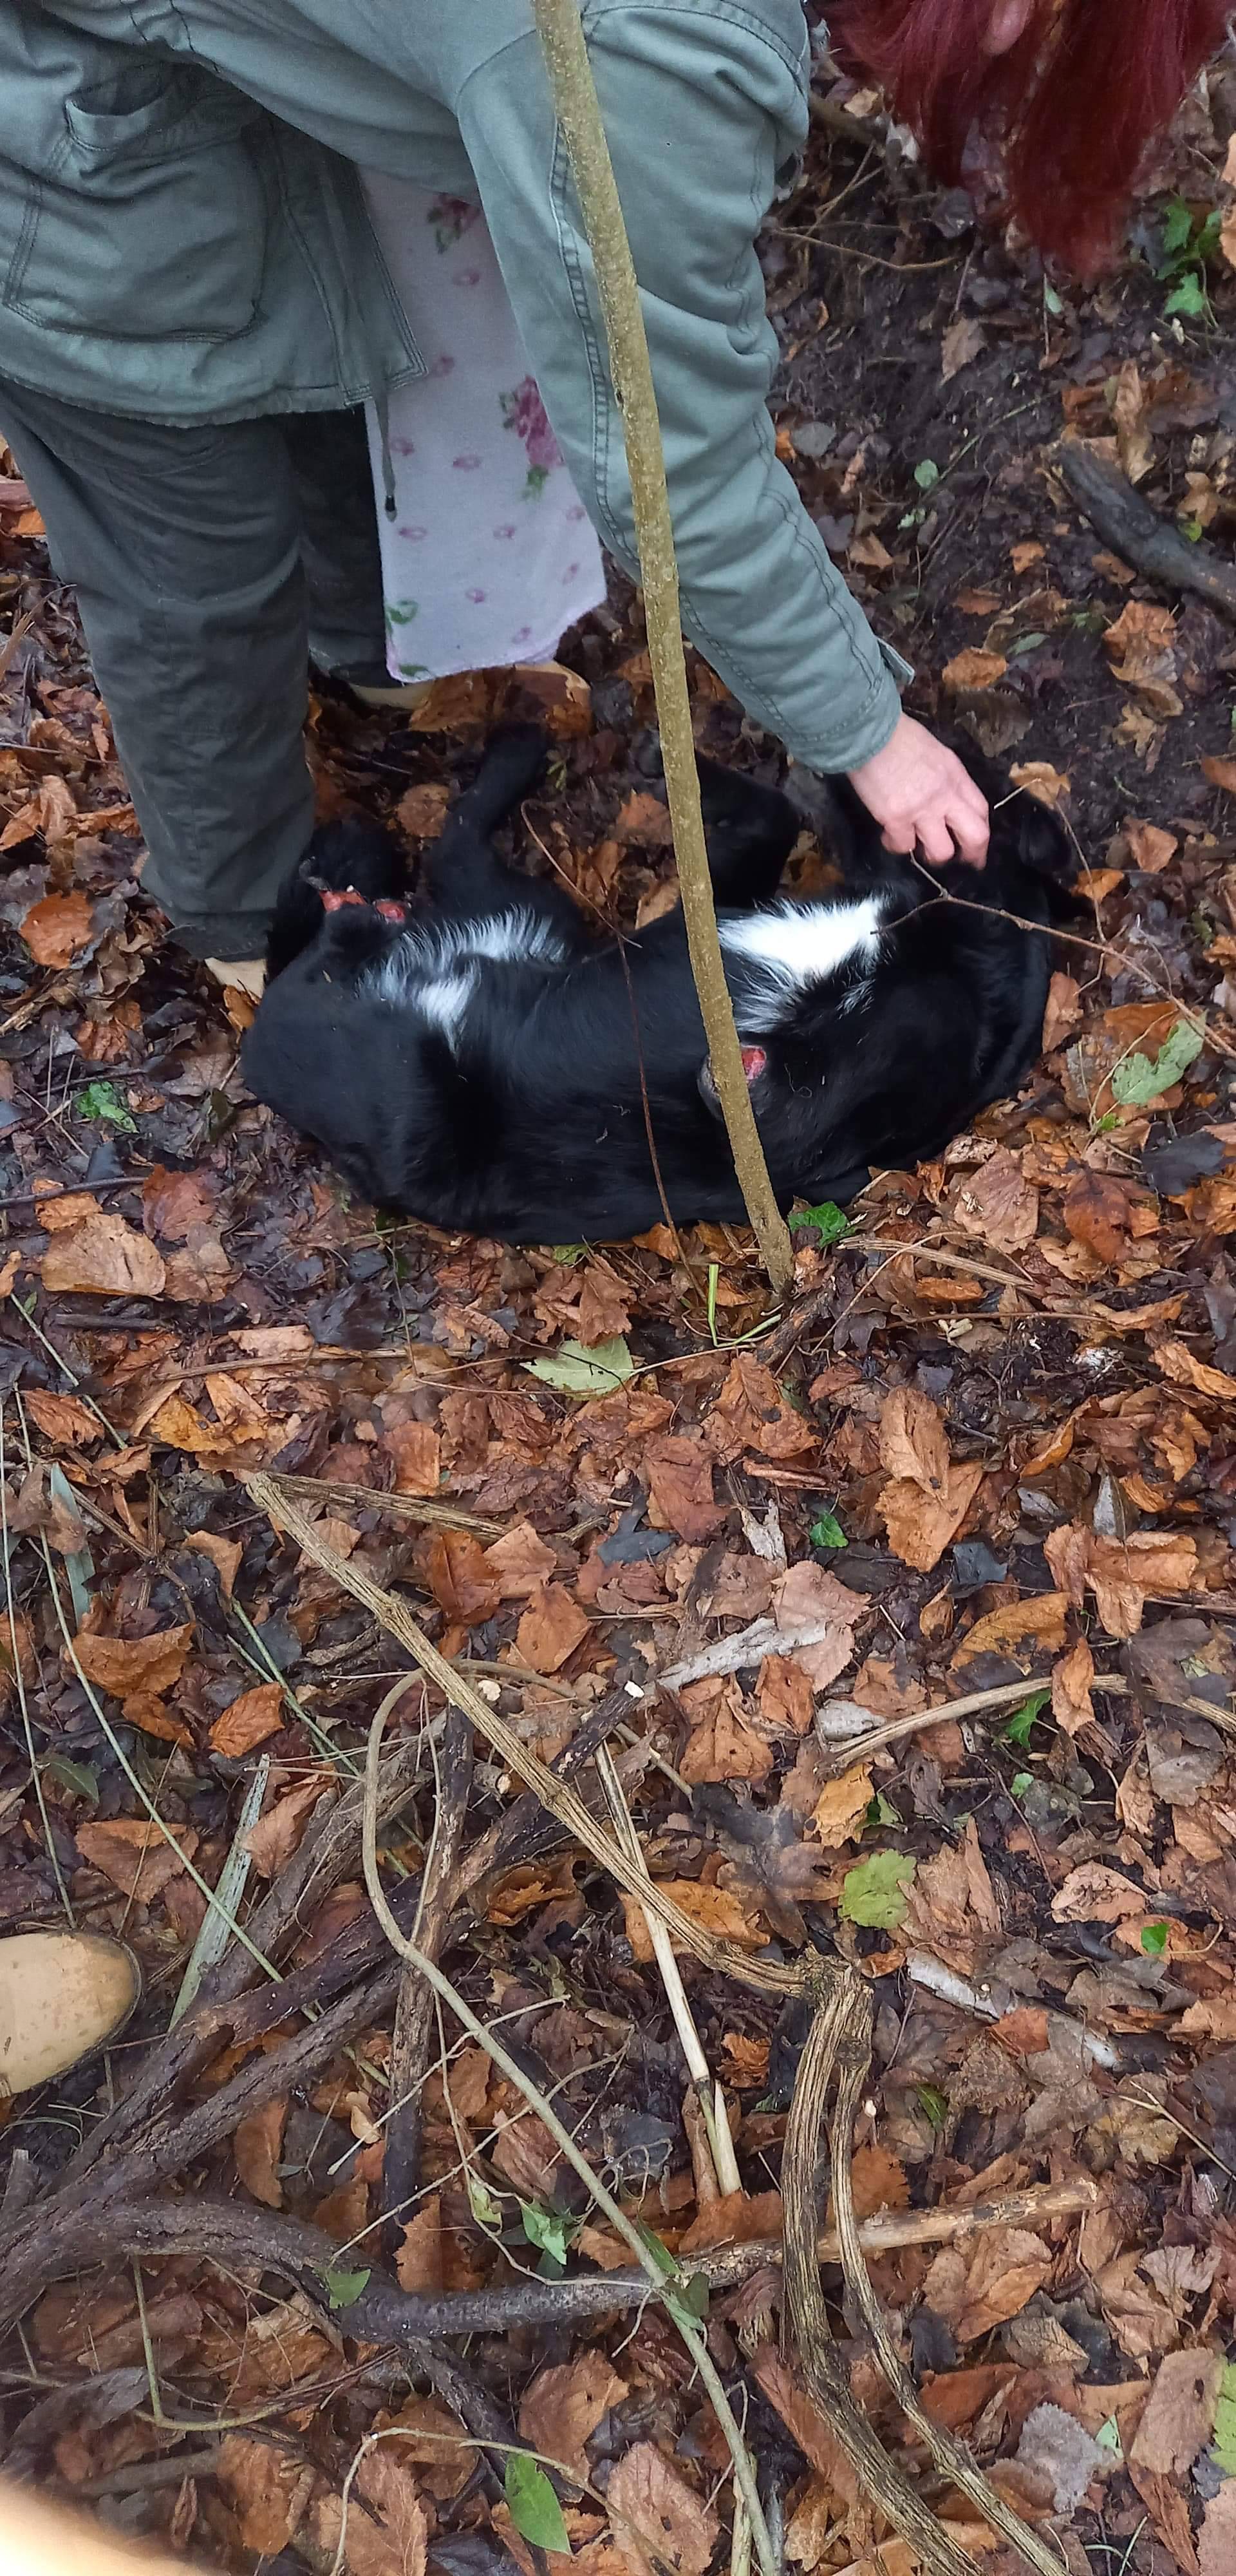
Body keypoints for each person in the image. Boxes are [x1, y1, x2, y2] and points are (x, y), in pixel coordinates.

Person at [0, 0, 1224, 998]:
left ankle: (363, 652)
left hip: (238, 91)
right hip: (66, 137)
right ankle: (249, 922)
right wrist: (871, 736)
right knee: (194, 565)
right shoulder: (652, 50)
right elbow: (670, 460)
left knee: (324, 367)